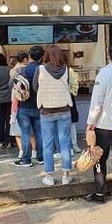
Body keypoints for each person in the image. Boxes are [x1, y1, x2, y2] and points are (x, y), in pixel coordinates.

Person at [84, 43, 112, 204]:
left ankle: (99, 193)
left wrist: (91, 122)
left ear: (109, 55)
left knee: (99, 158)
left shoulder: (104, 73)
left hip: (104, 124)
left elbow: (97, 101)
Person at [34, 45, 76, 186]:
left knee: (47, 144)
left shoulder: (39, 69)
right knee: (65, 143)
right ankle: (65, 176)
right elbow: (70, 86)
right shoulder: (67, 70)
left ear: (47, 55)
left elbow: (35, 87)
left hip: (46, 111)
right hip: (64, 110)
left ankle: (49, 177)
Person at [12, 46, 44, 167]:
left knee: (25, 133)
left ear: (29, 56)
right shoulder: (43, 70)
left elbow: (11, 85)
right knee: (39, 132)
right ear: (42, 57)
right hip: (38, 106)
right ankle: (41, 157)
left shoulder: (22, 70)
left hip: (24, 106)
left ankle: (26, 160)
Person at [9, 51, 33, 158]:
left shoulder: (13, 71)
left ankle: (22, 152)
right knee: (32, 132)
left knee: (20, 132)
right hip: (32, 102)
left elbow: (10, 85)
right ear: (25, 59)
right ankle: (34, 152)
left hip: (18, 103)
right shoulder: (30, 69)